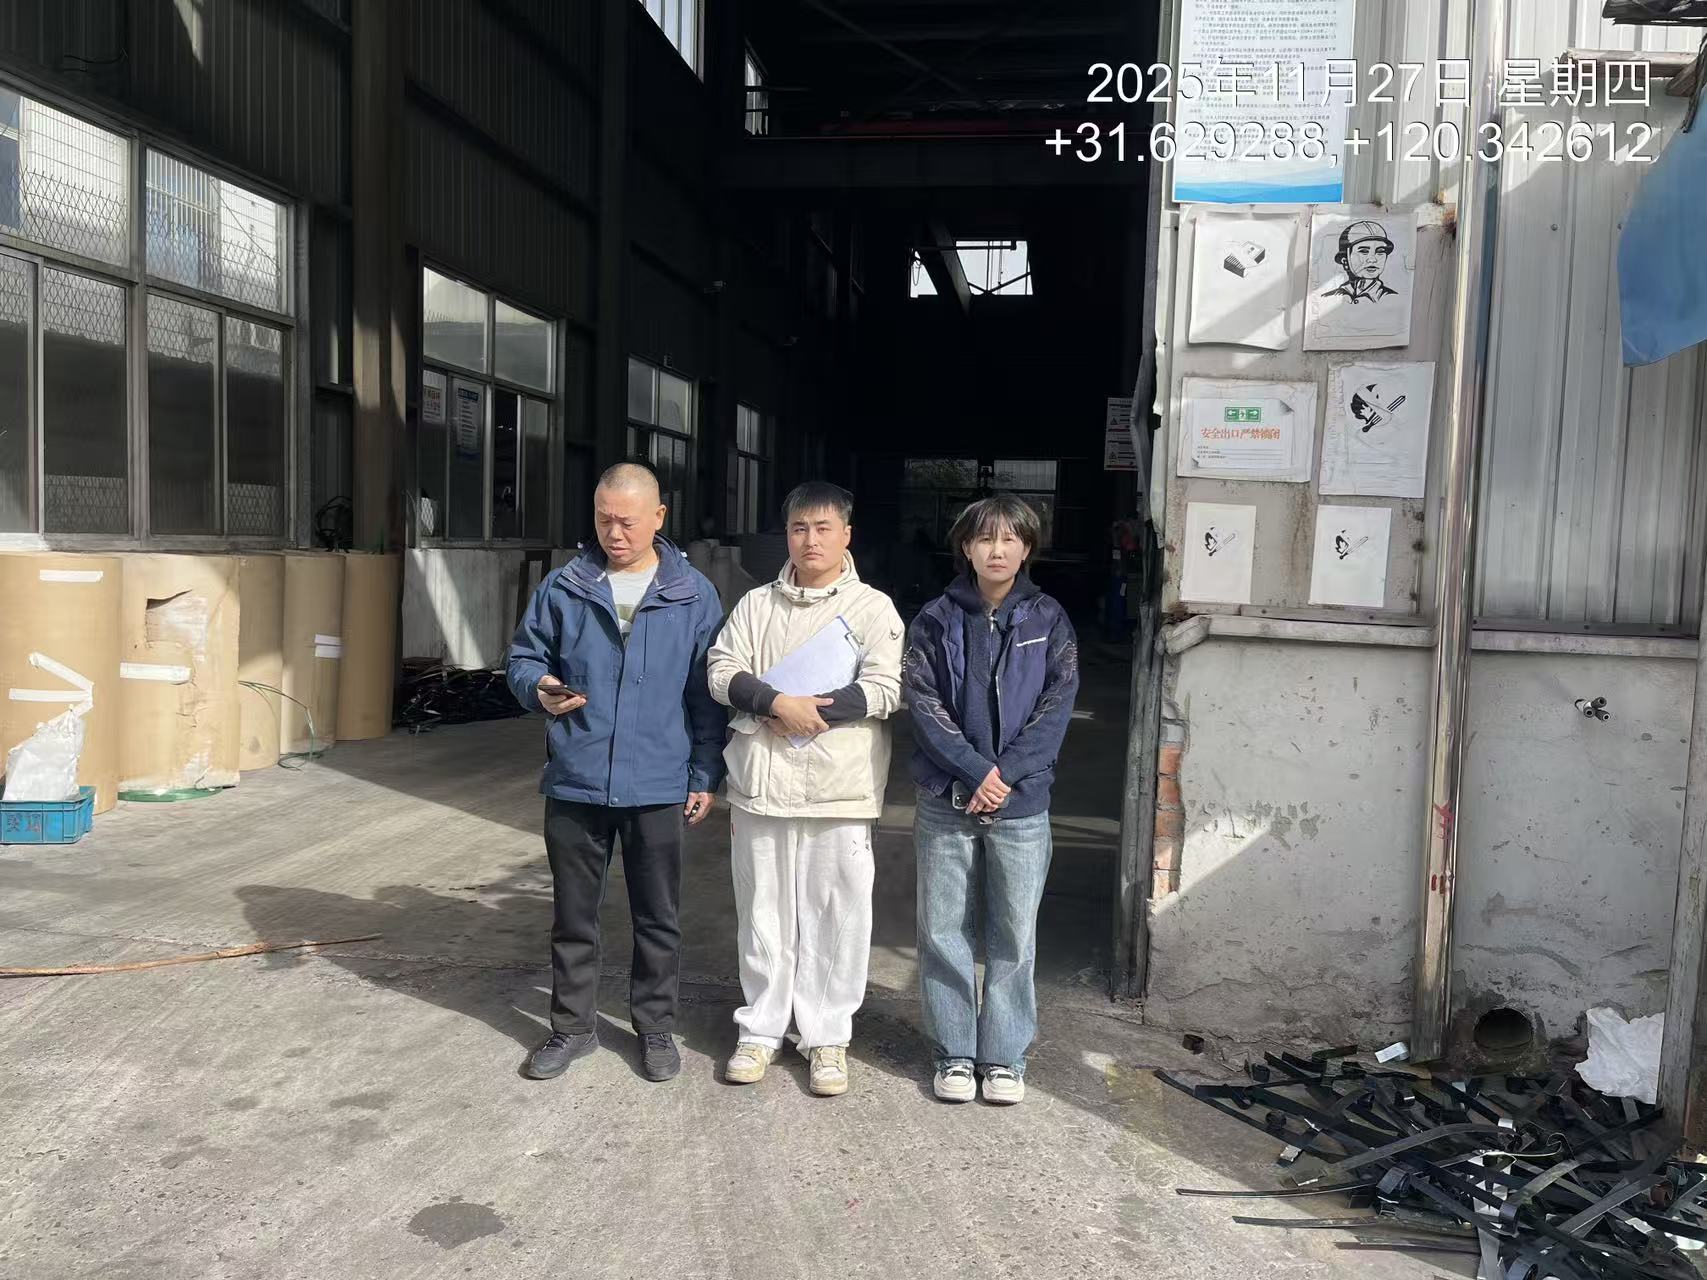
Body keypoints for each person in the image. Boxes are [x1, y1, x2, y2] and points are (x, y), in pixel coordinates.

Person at [506, 463, 726, 1084]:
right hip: (577, 778)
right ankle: (572, 1028)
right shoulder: (565, 586)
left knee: (657, 915)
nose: (615, 533)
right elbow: (524, 657)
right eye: (604, 520)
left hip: (658, 781)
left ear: (659, 517)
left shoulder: (692, 595)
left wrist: (704, 773)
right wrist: (538, 687)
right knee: (574, 915)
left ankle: (654, 1026)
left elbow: (706, 696)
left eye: (627, 521)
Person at [706, 482, 904, 1097]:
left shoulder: (873, 608)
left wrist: (807, 710)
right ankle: (760, 1030)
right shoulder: (755, 605)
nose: (810, 540)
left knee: (836, 913)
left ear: (847, 535)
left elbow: (886, 688)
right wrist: (773, 702)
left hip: (838, 788)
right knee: (762, 911)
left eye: (823, 528)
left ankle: (826, 1037)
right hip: (761, 782)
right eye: (799, 529)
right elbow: (721, 670)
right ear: (786, 536)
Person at [904, 494, 1080, 1105]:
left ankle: (1003, 1057)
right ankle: (953, 1052)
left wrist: (1005, 774)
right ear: (966, 547)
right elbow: (922, 703)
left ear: (1027, 548)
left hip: (1021, 802)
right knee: (943, 929)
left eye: (1009, 539)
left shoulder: (1049, 619)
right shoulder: (934, 619)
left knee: (1014, 933)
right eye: (985, 538)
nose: (997, 550)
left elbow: (1058, 705)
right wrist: (976, 771)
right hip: (947, 798)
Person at [1321, 220, 1399, 305]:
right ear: (1345, 261)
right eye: (1364, 251)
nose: (1372, 259)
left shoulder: (1393, 299)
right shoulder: (1328, 298)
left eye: (1380, 251)